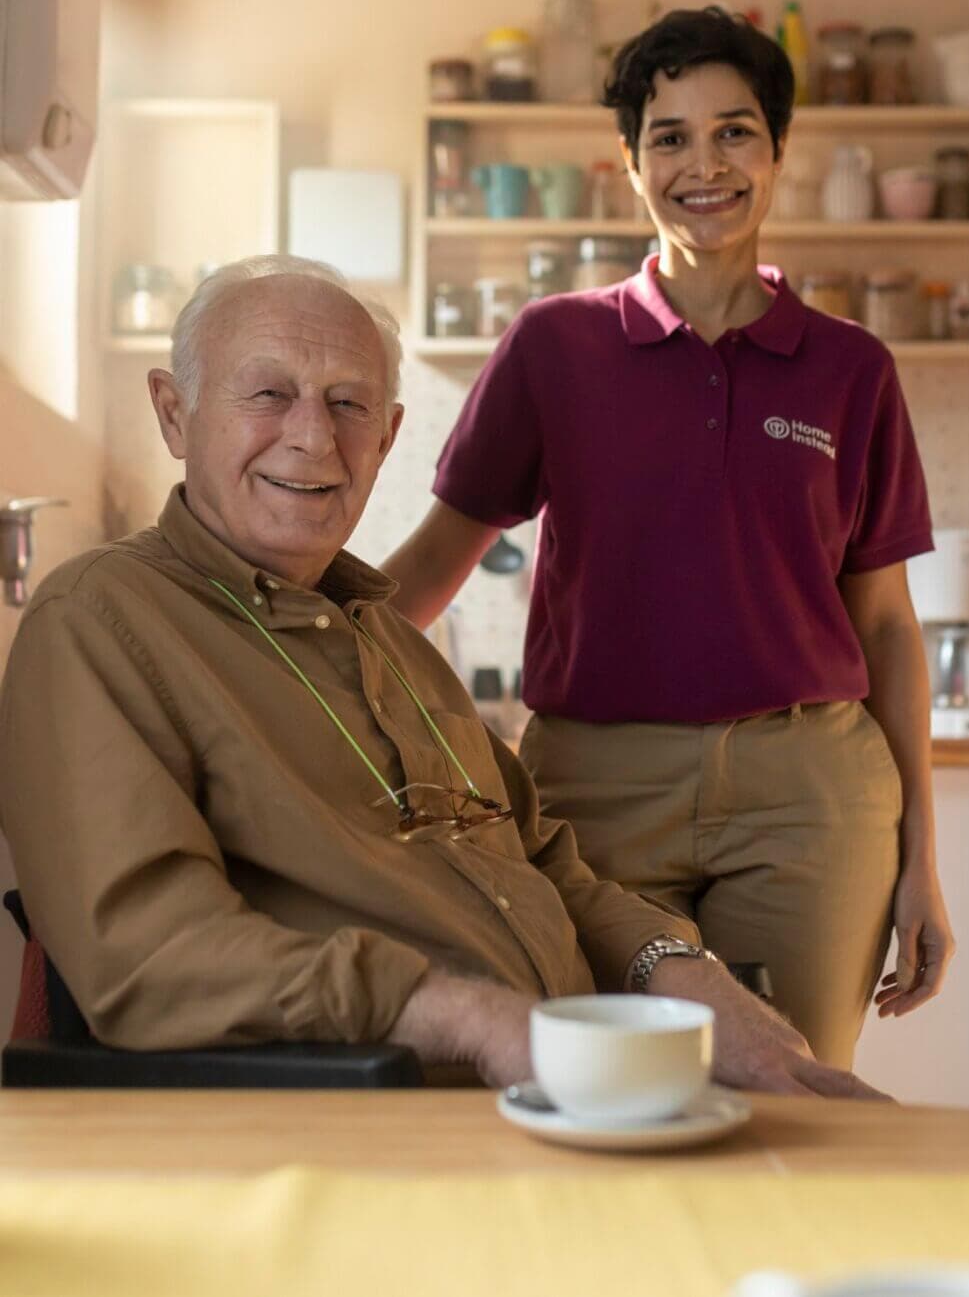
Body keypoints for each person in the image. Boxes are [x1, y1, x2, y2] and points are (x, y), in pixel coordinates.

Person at [0, 253, 882, 1098]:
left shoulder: (394, 640)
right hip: (393, 1118)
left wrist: (681, 969)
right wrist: (469, 1019)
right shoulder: (100, 619)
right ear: (173, 412)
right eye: (269, 394)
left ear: (386, 439)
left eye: (349, 405)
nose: (313, 437)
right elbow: (149, 956)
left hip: (565, 1088)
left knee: (846, 1157)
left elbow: (544, 863)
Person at [382, 8, 955, 1070]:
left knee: (791, 1096)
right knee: (606, 1086)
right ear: (629, 163)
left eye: (735, 132)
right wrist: (275, 663)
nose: (705, 164)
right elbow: (429, 565)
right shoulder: (553, 347)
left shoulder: (851, 369)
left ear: (779, 152)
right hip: (592, 793)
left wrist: (924, 856)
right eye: (670, 136)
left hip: (810, 796)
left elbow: (885, 628)